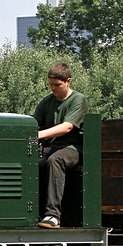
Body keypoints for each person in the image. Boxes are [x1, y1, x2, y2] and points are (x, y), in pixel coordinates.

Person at [33, 62, 88, 228]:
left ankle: (53, 215)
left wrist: (39, 135)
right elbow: (34, 123)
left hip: (72, 148)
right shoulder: (46, 101)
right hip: (49, 147)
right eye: (50, 85)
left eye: (57, 85)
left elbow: (68, 127)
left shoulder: (78, 99)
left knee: (55, 161)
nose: (53, 88)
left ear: (68, 81)